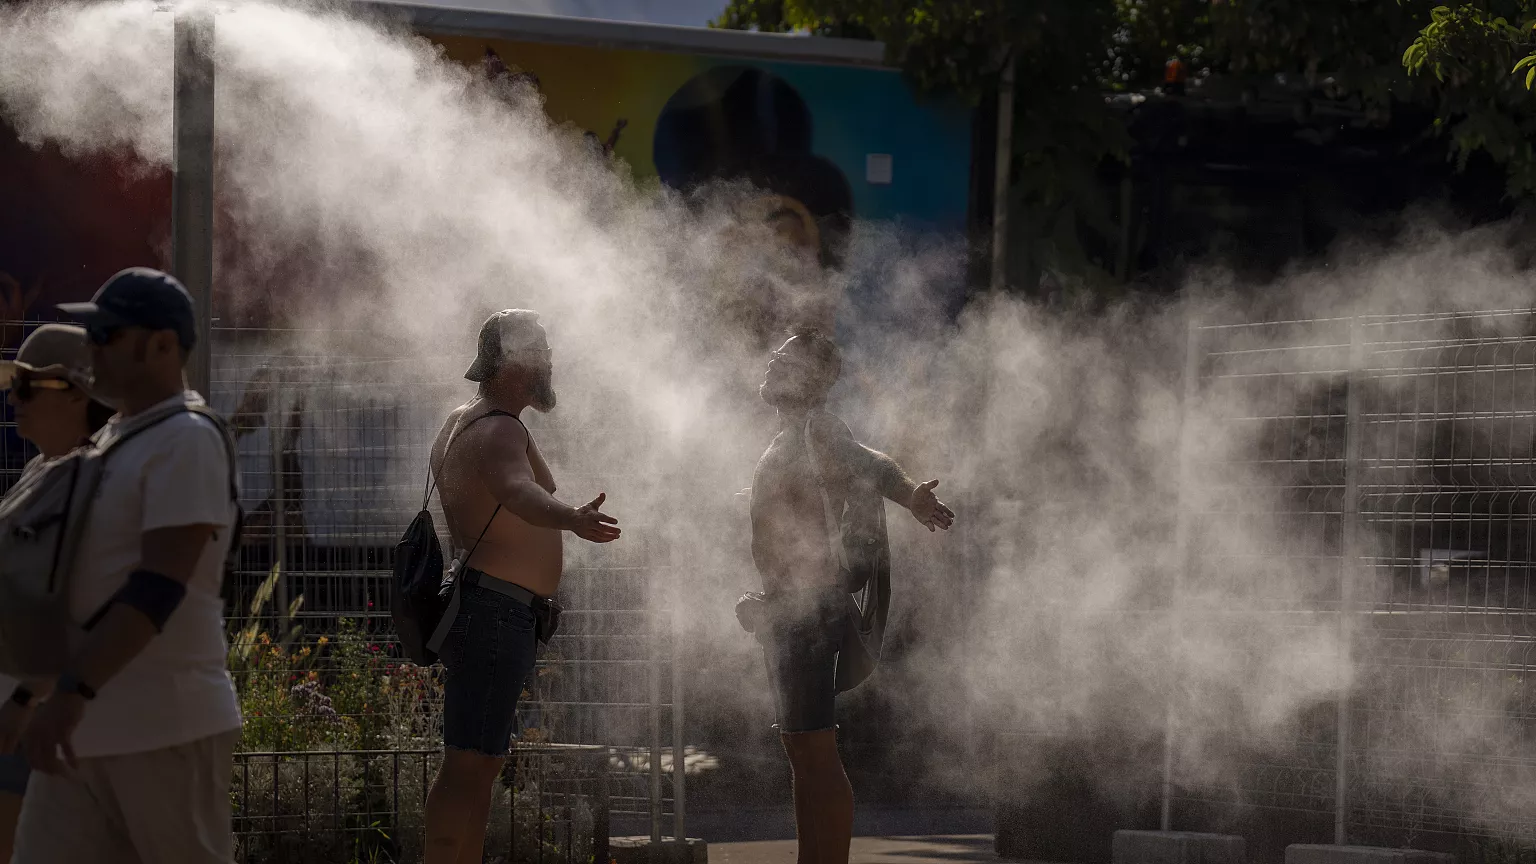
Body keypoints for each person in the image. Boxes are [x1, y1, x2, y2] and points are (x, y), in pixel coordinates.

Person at [10, 268, 240, 863]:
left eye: (108, 334)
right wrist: (28, 699)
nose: (93, 350)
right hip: (81, 734)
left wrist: (68, 693)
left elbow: (159, 585)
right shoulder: (115, 439)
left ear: (162, 345)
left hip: (166, 729)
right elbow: (77, 592)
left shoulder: (186, 438)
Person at [747, 328, 954, 864]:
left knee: (815, 749)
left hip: (811, 611)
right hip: (788, 609)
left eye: (785, 357)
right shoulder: (790, 438)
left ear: (809, 379)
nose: (772, 361)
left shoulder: (821, 428)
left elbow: (871, 463)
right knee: (801, 749)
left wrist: (911, 495)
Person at [424, 309, 620, 864]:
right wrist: (572, 518)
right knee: (468, 762)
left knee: (481, 760)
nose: (551, 363)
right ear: (517, 362)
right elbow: (517, 491)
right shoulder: (501, 428)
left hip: (489, 607)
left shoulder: (464, 420)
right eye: (542, 352)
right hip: (495, 612)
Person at [0, 324, 114, 864]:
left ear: (76, 390)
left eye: (27, 386)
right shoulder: (40, 473)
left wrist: (27, 698)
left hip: (41, 718)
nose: (12, 398)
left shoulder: (93, 483)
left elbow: (79, 610)